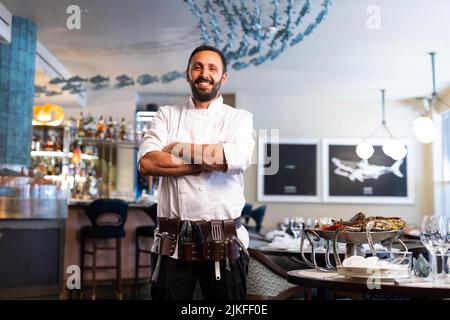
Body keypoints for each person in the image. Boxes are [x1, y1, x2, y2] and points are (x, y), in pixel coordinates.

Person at [137, 45, 255, 300]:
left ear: (223, 77)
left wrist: (176, 148)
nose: (204, 73)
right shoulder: (166, 115)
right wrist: (206, 160)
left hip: (224, 244)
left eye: (212, 68)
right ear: (188, 73)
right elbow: (147, 163)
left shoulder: (239, 118)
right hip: (172, 244)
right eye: (198, 67)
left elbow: (233, 158)